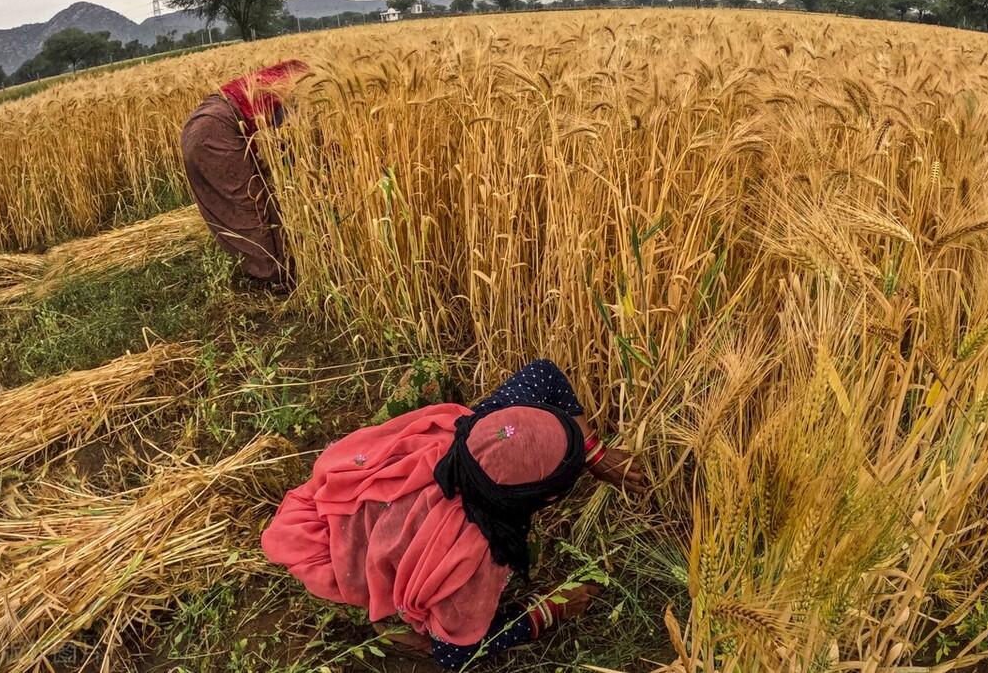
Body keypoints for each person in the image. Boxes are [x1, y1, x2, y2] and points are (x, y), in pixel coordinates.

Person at [261, 359, 646, 669]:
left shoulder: (480, 430)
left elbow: (544, 372)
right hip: (333, 556)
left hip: (343, 498)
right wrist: (545, 613)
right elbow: (453, 651)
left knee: (427, 376)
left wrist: (595, 454)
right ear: (532, 500)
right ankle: (384, 613)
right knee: (413, 626)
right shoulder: (470, 553)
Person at [180, 60, 309, 289]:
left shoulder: (289, 74)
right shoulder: (302, 87)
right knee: (250, 200)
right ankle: (275, 274)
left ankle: (259, 265)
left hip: (199, 125)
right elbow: (290, 144)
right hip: (215, 129)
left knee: (228, 202)